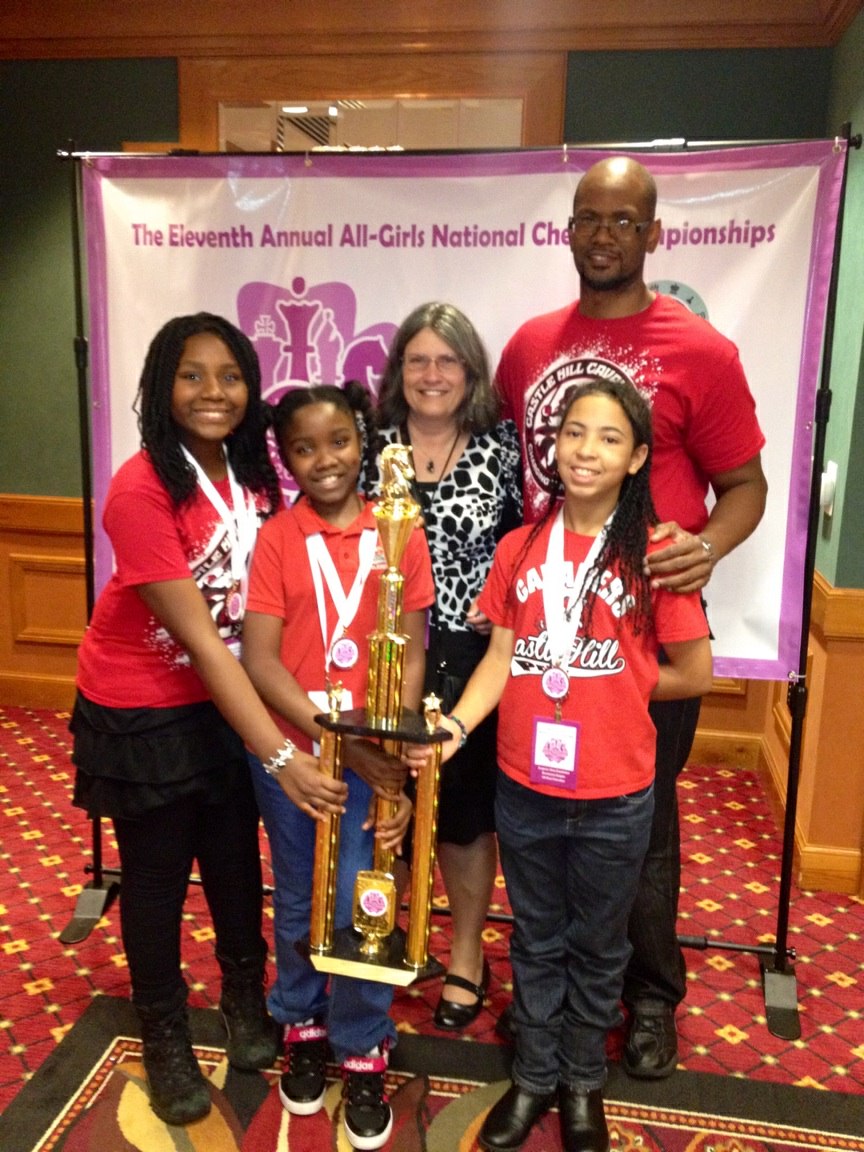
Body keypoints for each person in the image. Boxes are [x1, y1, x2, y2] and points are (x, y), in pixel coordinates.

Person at [494, 155, 768, 1079]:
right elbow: (513, 473)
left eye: (623, 220)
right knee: (540, 821)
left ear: (654, 235)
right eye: (588, 217)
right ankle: (552, 1006)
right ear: (566, 228)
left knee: (638, 827)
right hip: (544, 631)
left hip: (642, 627)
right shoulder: (530, 344)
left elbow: (746, 486)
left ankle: (648, 996)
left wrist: (708, 545)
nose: (603, 235)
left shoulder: (702, 350)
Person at [69, 313, 347, 1128]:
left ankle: (243, 999)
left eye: (229, 375)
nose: (213, 392)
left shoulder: (257, 473)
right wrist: (281, 758)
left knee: (231, 860)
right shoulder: (141, 486)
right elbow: (197, 635)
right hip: (145, 706)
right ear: (162, 386)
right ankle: (164, 1035)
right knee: (156, 879)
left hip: (233, 696)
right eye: (192, 375)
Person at [421, 378, 713, 1152]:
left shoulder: (655, 551)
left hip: (617, 793)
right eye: (574, 433)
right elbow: (500, 658)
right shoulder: (521, 548)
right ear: (553, 446)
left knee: (601, 944)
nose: (586, 451)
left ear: (638, 455)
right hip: (527, 786)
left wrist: (621, 681)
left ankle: (584, 1083)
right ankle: (534, 1076)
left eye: (609, 438)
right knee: (537, 937)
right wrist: (455, 725)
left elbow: (695, 667)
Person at [241, 382, 434, 1151]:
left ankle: (362, 1039)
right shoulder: (278, 538)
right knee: (300, 896)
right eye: (303, 449)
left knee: (366, 897)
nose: (325, 461)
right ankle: (301, 1022)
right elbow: (258, 659)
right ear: (284, 460)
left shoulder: (400, 530)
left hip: (373, 758)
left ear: (364, 440)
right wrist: (335, 742)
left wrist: (386, 750)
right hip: (295, 757)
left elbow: (412, 652)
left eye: (339, 442)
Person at [372, 302, 522, 1031]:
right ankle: (393, 932)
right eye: (417, 360)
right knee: (385, 802)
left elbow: (526, 540)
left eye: (447, 361)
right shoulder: (368, 444)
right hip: (376, 652)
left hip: (469, 658)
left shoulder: (502, 448)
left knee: (463, 817)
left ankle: (465, 952)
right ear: (398, 370)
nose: (432, 375)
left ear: (472, 372)